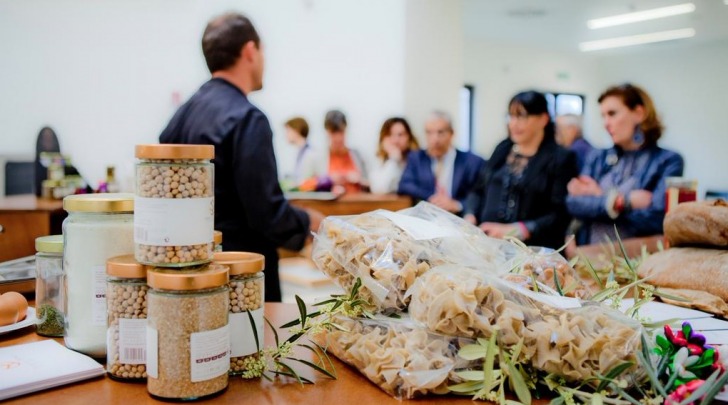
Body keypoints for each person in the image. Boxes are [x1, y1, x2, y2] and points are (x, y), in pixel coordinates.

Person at [158, 12, 323, 302]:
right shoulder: (247, 119)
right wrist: (308, 222)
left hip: (186, 275)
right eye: (262, 51)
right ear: (250, 50)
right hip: (239, 281)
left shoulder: (181, 116)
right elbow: (265, 213)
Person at [566, 83, 684, 245]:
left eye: (612, 114)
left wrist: (597, 197)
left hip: (636, 260)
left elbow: (657, 219)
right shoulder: (598, 157)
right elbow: (574, 204)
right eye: (603, 116)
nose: (606, 123)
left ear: (639, 113)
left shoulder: (667, 160)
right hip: (591, 255)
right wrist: (622, 202)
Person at [463, 91, 578, 249]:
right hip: (488, 245)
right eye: (511, 116)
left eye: (521, 116)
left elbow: (560, 213)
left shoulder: (560, 158)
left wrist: (519, 229)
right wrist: (470, 215)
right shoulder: (503, 148)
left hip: (532, 250)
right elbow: (478, 190)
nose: (513, 124)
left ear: (543, 119)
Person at [398, 111, 485, 214]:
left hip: (459, 219)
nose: (435, 139)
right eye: (429, 132)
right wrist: (432, 197)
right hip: (427, 217)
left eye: (440, 132)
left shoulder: (472, 162)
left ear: (452, 133)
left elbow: (481, 195)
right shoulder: (417, 158)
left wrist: (457, 205)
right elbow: (405, 185)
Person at [369, 117, 420, 194]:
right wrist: (393, 160)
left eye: (400, 135)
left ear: (409, 137)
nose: (396, 140)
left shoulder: (418, 160)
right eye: (390, 135)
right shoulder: (378, 162)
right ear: (383, 139)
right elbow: (379, 189)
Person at [323, 109, 367, 194]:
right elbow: (307, 187)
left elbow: (371, 185)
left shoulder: (358, 155)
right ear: (326, 132)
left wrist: (359, 180)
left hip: (358, 204)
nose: (338, 138)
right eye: (333, 133)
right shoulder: (317, 158)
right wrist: (328, 181)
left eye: (341, 132)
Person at [283, 116, 322, 185]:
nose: (286, 135)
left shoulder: (311, 154)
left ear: (296, 130)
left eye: (288, 131)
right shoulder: (298, 152)